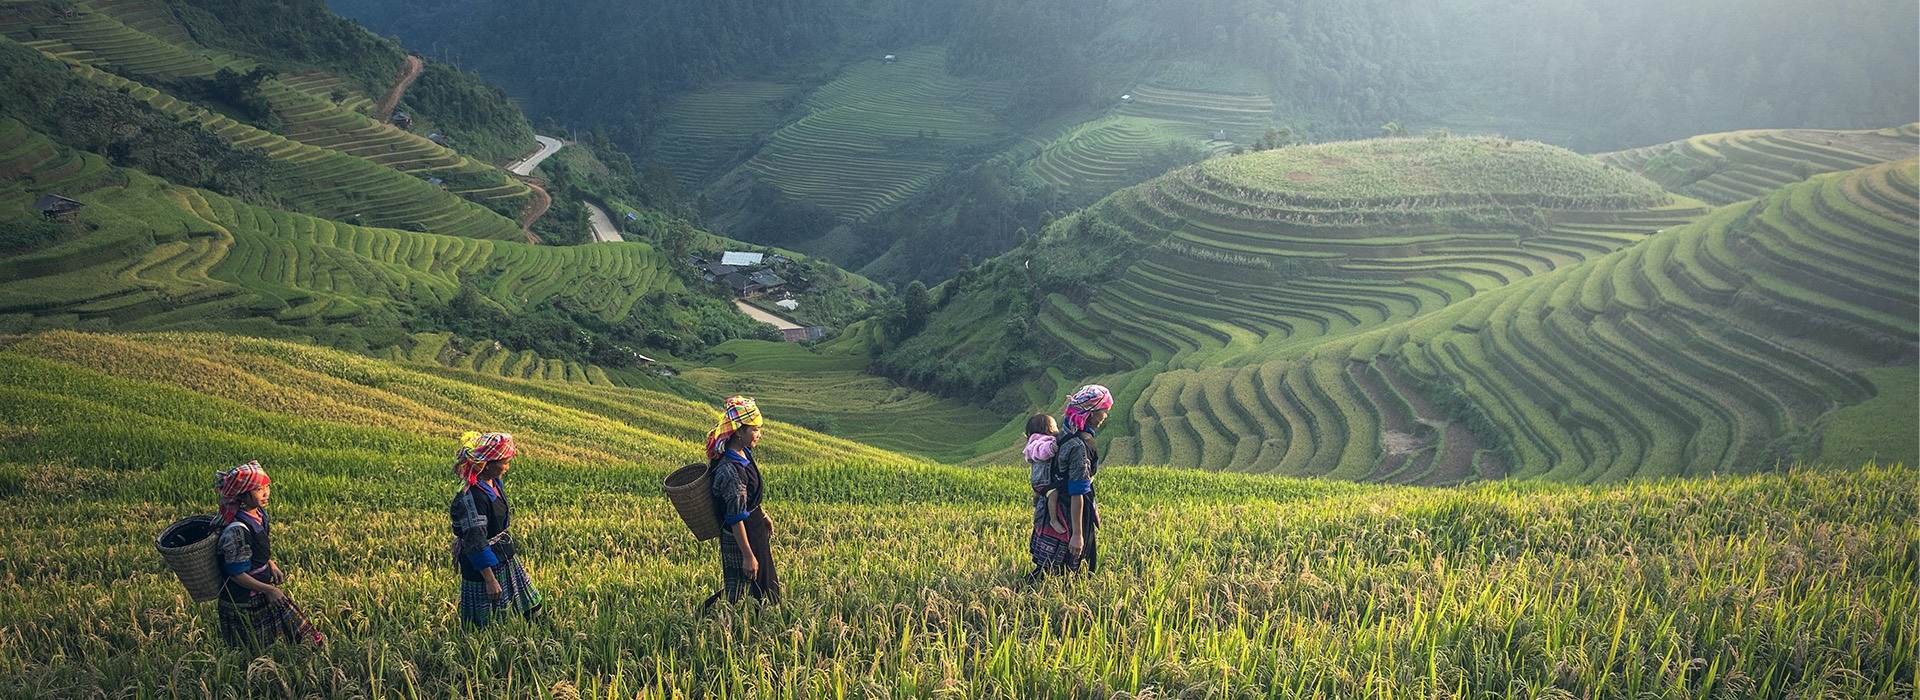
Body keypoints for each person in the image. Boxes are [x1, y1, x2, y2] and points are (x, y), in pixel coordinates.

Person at [213, 461, 324, 649]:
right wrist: (269, 590)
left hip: (261, 587)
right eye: (258, 489)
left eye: (267, 486)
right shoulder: (236, 530)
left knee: (291, 637)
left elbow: (256, 549)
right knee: (251, 648)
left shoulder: (259, 515)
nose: (266, 493)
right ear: (242, 494)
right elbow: (236, 573)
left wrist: (271, 565)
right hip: (243, 599)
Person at [450, 431, 543, 627]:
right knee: (483, 622)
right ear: (487, 464)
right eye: (505, 463)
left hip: (504, 555)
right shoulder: (472, 497)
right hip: (483, 566)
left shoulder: (492, 482)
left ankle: (539, 634)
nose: (507, 467)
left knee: (532, 606)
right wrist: (490, 580)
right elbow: (475, 541)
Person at [701, 396, 781, 609]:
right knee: (741, 589)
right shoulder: (730, 470)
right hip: (742, 535)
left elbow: (749, 498)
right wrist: (747, 555)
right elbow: (735, 516)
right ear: (739, 431)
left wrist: (762, 515)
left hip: (754, 527)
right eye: (755, 429)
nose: (759, 434)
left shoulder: (743, 452)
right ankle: (707, 616)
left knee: (763, 584)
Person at [1031, 385, 1111, 580]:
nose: (1105, 416)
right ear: (1091, 414)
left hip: (1054, 505)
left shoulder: (1065, 433)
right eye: (1104, 411)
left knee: (1048, 570)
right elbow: (1078, 490)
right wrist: (1077, 534)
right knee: (1070, 574)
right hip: (1069, 511)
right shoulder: (1080, 445)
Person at [1024, 413, 1072, 575]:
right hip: (1043, 482)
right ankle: (1053, 519)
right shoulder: (1039, 442)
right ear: (1047, 429)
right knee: (1053, 494)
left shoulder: (1037, 440)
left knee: (1042, 497)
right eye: (1054, 427)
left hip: (1039, 483)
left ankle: (1037, 498)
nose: (1056, 430)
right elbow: (1041, 451)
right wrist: (1052, 448)